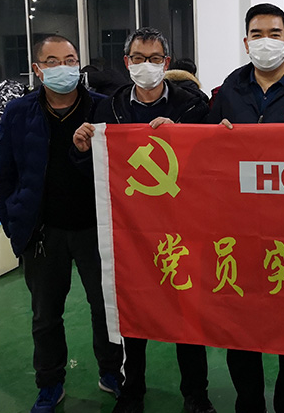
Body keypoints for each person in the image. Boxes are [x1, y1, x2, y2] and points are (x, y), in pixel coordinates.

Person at [72, 27, 212, 413]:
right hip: (130, 231)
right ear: (126, 62)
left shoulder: (193, 107)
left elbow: (210, 165)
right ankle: (131, 391)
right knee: (133, 312)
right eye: (138, 58)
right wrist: (82, 150)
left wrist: (183, 137)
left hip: (183, 229)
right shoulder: (109, 109)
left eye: (153, 59)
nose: (145, 65)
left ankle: (196, 394)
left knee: (188, 315)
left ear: (166, 63)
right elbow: (97, 172)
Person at [0, 35, 123, 413]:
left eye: (69, 60)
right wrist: (14, 221)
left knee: (105, 309)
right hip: (43, 232)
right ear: (38, 69)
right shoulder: (19, 112)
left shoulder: (102, 107)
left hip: (96, 231)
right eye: (52, 62)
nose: (62, 68)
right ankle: (49, 383)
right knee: (45, 315)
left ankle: (112, 372)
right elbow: (3, 174)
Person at [206, 3, 284, 413]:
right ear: (246, 42)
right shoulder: (228, 92)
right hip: (238, 229)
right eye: (257, 34)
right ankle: (249, 402)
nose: (266, 42)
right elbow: (202, 153)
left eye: (274, 34)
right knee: (241, 323)